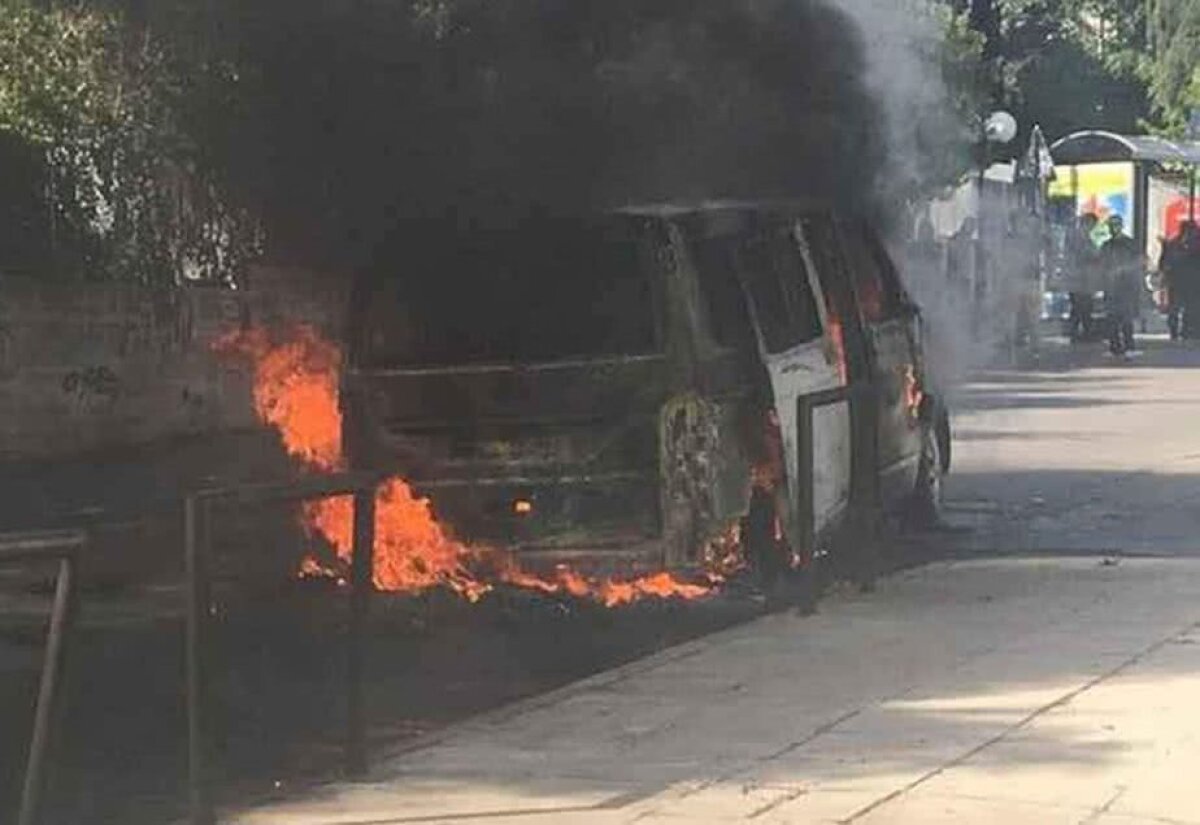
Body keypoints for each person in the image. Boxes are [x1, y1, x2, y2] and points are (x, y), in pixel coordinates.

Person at [1101, 214, 1142, 356]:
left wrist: (1124, 270)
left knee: (1125, 317)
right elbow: (1102, 265)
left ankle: (1129, 345)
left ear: (1121, 226)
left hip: (1126, 285)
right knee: (1112, 317)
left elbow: (1139, 261)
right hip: (1111, 286)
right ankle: (1115, 346)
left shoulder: (1130, 244)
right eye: (1111, 226)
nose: (1113, 228)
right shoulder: (1106, 245)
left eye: (1116, 225)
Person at [1065, 213, 1099, 341]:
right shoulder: (1079, 237)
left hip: (1082, 278)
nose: (1092, 227)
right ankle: (1082, 332)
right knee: (1081, 306)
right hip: (1080, 278)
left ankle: (1081, 331)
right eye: (1092, 224)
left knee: (1082, 307)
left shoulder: (1081, 237)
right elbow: (1086, 255)